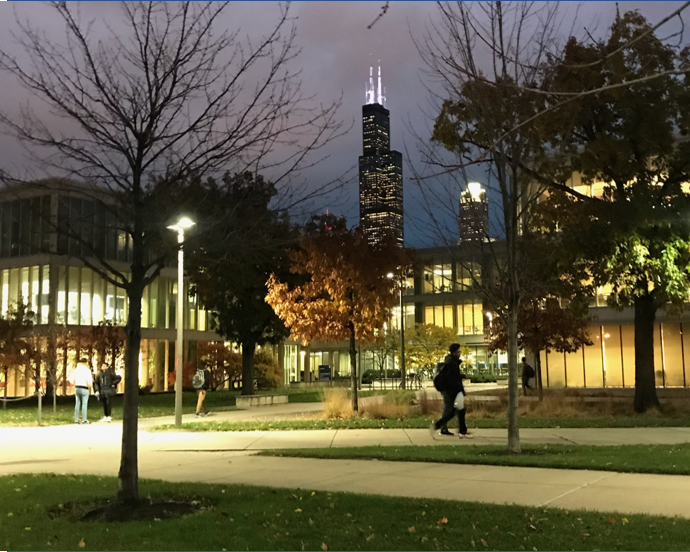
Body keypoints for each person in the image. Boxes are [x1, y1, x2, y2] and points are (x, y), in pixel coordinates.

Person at [429, 343, 472, 438]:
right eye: (458, 352)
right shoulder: (452, 363)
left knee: (458, 410)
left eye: (459, 351)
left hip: (452, 391)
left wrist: (461, 376)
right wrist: (459, 389)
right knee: (453, 411)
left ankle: (461, 431)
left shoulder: (451, 362)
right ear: (453, 352)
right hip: (453, 391)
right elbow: (452, 378)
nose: (459, 353)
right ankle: (439, 427)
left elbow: (453, 377)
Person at [68, 358, 93, 424]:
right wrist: (89, 385)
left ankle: (76, 419)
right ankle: (84, 420)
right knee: (84, 404)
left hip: (77, 387)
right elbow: (89, 381)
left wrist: (75, 383)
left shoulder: (76, 370)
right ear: (86, 363)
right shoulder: (87, 370)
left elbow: (71, 380)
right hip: (84, 388)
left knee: (77, 404)